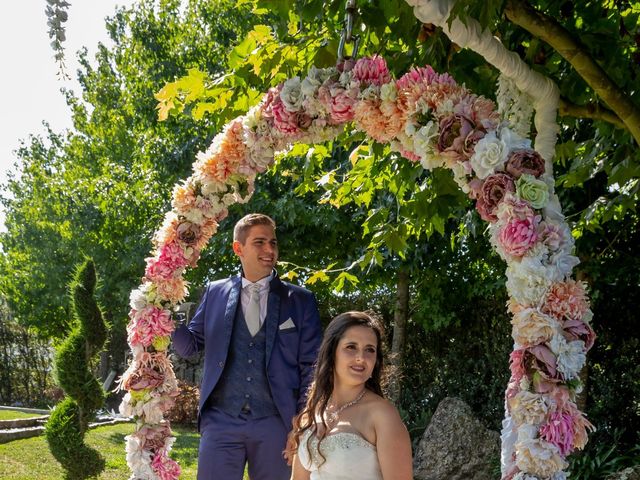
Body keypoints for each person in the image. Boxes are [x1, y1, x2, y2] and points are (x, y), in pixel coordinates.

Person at [172, 213, 322, 480]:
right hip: (221, 420)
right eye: (260, 242)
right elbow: (190, 347)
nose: (269, 250)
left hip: (276, 422)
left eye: (273, 243)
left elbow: (311, 366)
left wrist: (301, 422)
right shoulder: (215, 292)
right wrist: (165, 313)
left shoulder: (300, 300)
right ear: (238, 248)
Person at [289, 311, 413, 480]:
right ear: (332, 353)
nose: (361, 358)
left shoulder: (382, 414)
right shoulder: (312, 413)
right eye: (351, 347)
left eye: (370, 350)